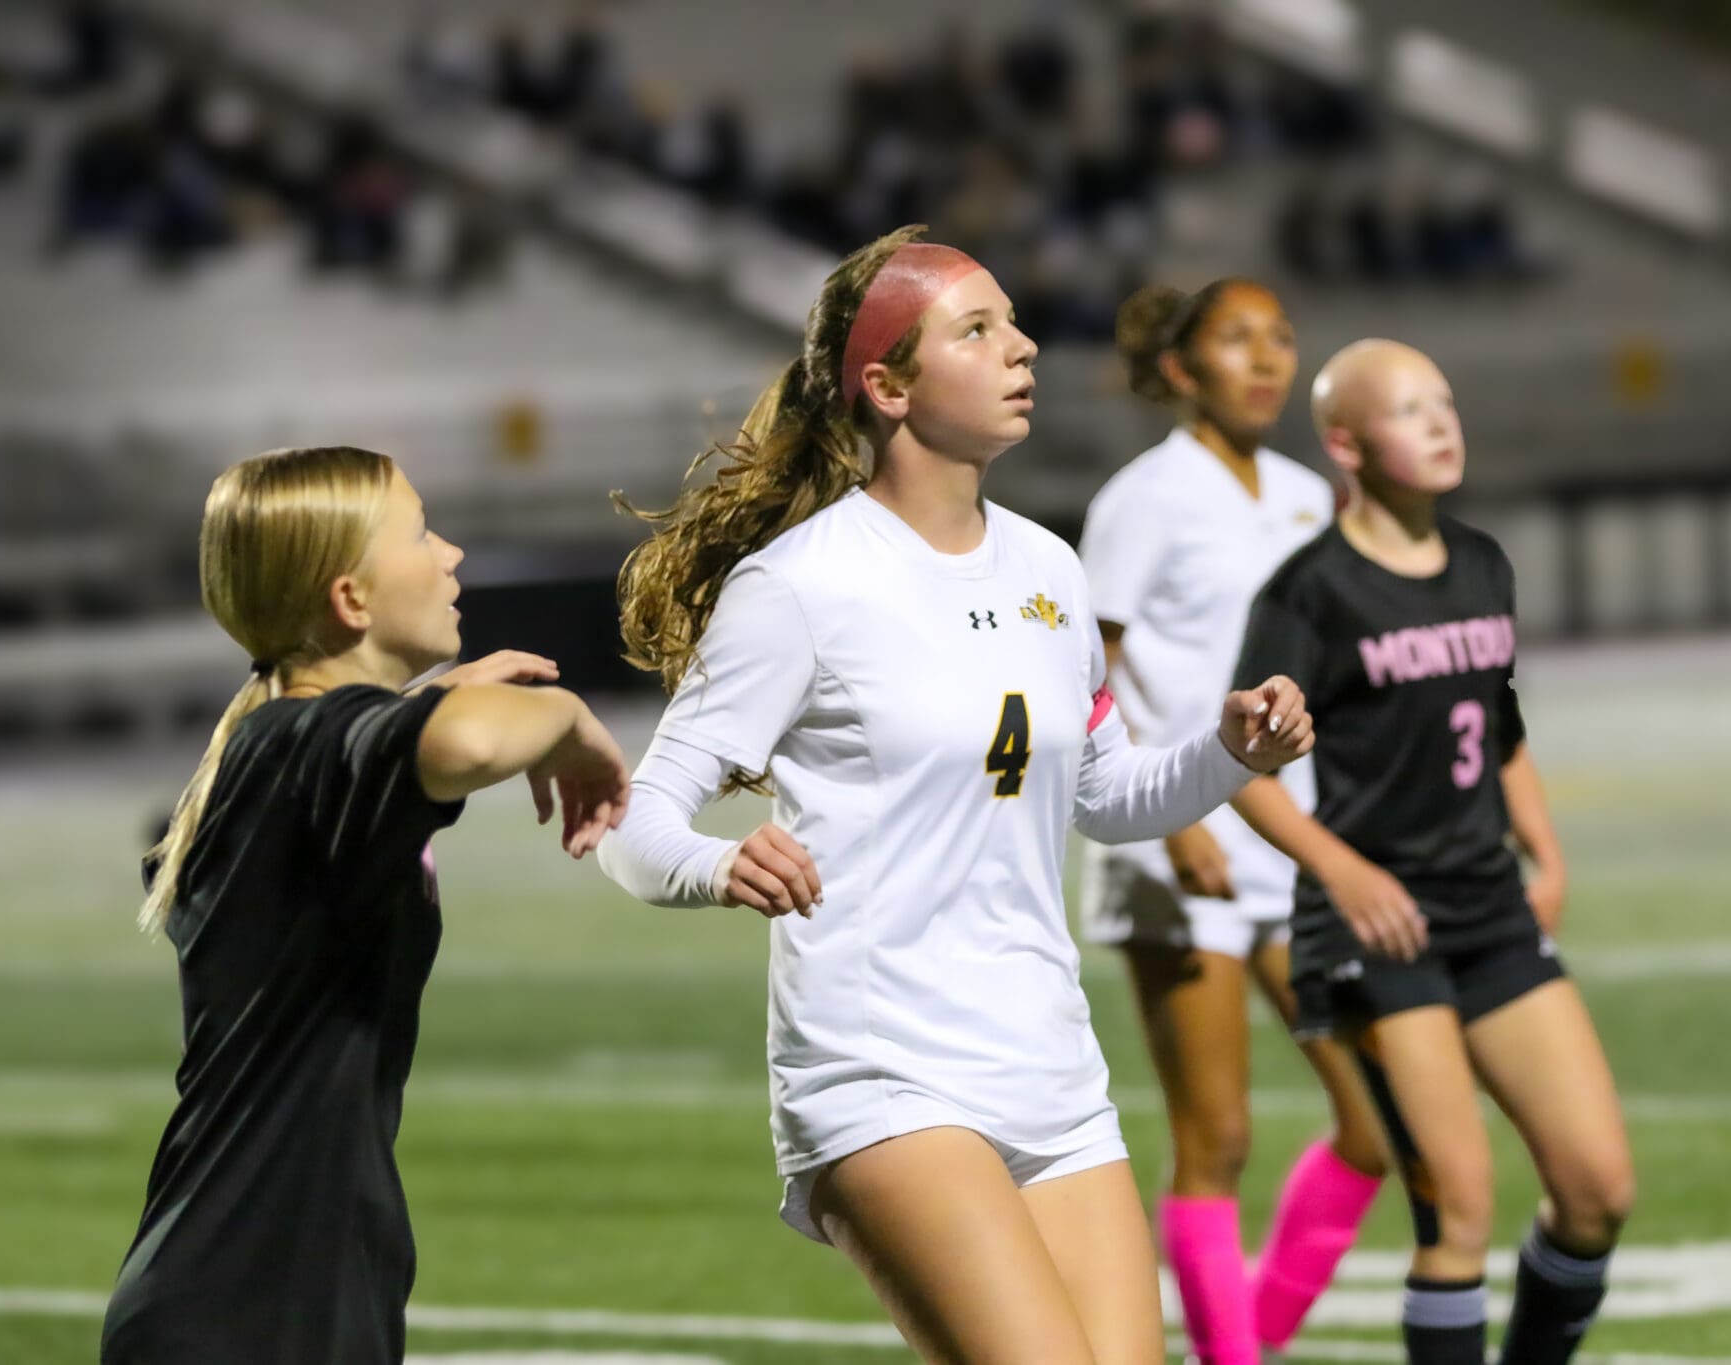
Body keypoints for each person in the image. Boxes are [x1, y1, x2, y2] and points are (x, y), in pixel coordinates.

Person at [597, 226, 1315, 1365]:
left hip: (1051, 1067)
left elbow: (1102, 794)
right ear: (888, 386)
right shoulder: (801, 585)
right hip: (883, 1073)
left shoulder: (1047, 568)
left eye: (1013, 323)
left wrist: (1230, 752)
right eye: (976, 330)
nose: (1021, 347)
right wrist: (718, 863)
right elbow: (633, 826)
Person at [101, 445, 630, 1365]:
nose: (451, 553)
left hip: (267, 1294)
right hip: (251, 1307)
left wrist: (424, 696)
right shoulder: (300, 746)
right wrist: (573, 718)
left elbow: (409, 740)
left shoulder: (284, 745)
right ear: (351, 599)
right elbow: (467, 744)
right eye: (421, 534)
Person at [1230, 341, 1634, 1365]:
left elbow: (1497, 729)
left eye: (1443, 403)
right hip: (1377, 929)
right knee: (1457, 1206)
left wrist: (1544, 853)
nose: (1441, 423)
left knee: (1596, 1190)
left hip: (1486, 908)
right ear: (1345, 445)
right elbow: (1239, 770)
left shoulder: (1482, 563)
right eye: (1409, 410)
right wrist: (1344, 871)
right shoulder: (1309, 592)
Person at [1078, 278, 1388, 1363]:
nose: (1266, 360)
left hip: (1290, 841)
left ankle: (1241, 1348)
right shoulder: (1144, 498)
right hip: (1181, 841)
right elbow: (1087, 666)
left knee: (1375, 1125)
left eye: (1280, 339)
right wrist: (1169, 819)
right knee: (1216, 1136)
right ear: (1180, 369)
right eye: (1236, 340)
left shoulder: (1307, 496)